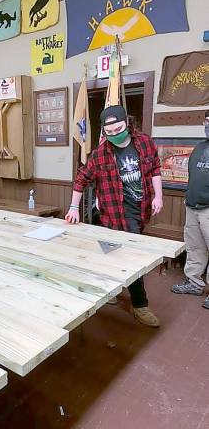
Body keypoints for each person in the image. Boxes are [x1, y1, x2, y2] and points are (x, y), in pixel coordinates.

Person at [65, 105, 163, 327]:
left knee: (122, 255)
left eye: (118, 129)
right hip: (112, 213)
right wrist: (73, 208)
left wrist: (159, 196)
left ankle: (116, 292)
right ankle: (140, 304)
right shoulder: (100, 155)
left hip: (141, 209)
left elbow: (155, 168)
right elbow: (81, 179)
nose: (115, 135)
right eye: (109, 133)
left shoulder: (145, 143)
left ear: (127, 123)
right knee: (129, 257)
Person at [171, 110, 209, 309]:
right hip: (192, 206)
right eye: (207, 121)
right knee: (195, 248)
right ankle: (194, 283)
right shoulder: (199, 147)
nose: (208, 125)